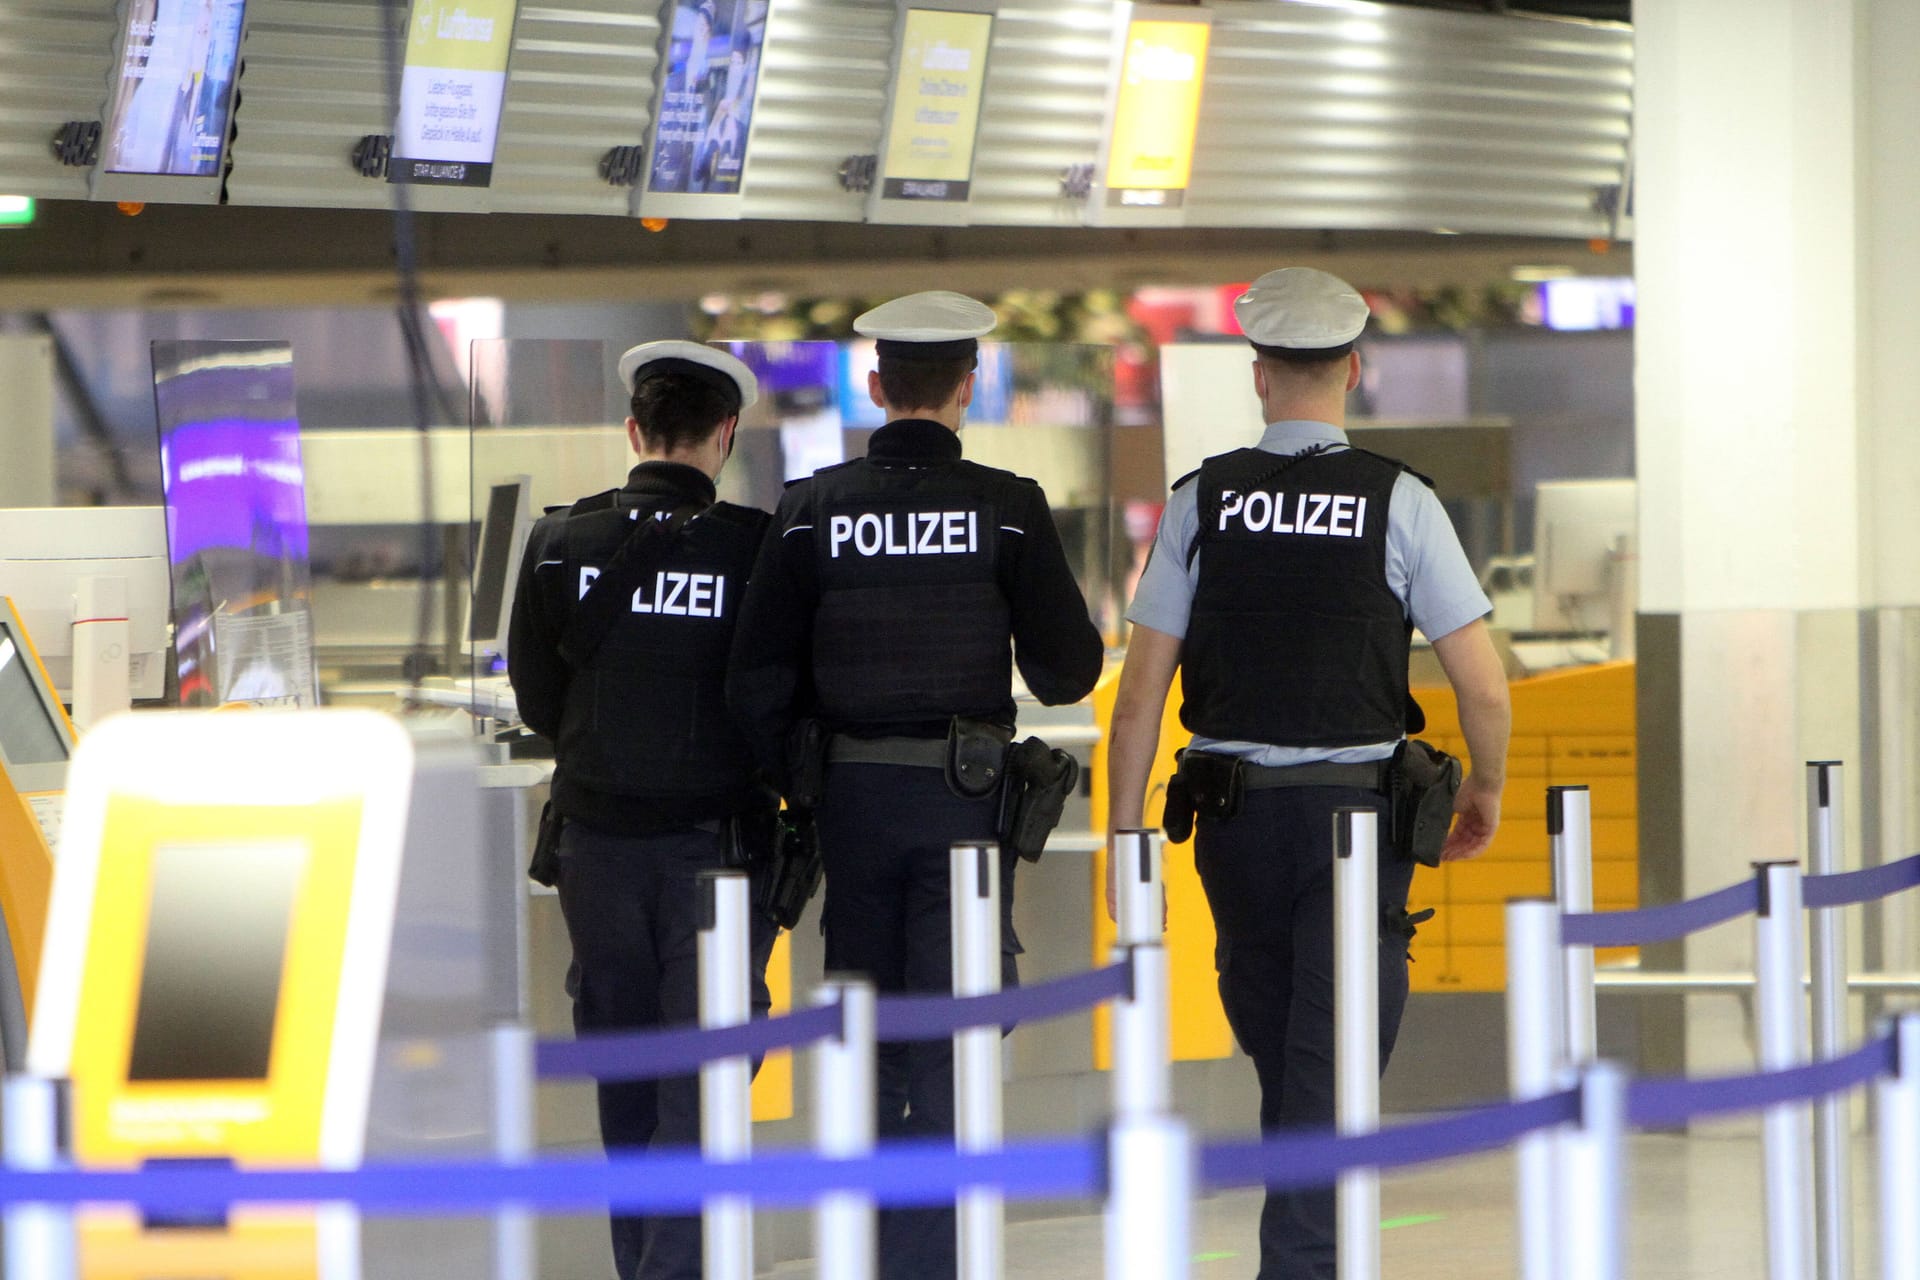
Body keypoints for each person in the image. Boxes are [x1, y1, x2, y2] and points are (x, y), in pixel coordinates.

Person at [1104, 268, 1511, 1280]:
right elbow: (1485, 688)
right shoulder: (1400, 502)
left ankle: (1304, 1256)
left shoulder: (1201, 502)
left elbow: (1142, 691)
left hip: (1235, 826)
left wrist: (1123, 836)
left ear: (1259, 377)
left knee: (1290, 1053)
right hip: (1356, 826)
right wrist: (1486, 789)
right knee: (1327, 1069)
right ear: (1355, 370)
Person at [727, 290, 1105, 1280]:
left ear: (878, 385)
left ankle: (885, 1249)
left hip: (850, 811)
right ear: (969, 387)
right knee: (956, 1029)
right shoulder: (1008, 508)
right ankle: (930, 1259)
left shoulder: (810, 511)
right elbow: (1069, 669)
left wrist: (801, 783)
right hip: (966, 809)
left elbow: (755, 678)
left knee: (870, 1033)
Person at [507, 341, 778, 1280]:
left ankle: (648, 1267)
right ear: (726, 434)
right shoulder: (754, 551)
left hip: (596, 854)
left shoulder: (556, 544)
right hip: (718, 857)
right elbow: (774, 696)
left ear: (634, 432)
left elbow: (541, 704)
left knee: (624, 1077)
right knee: (702, 1086)